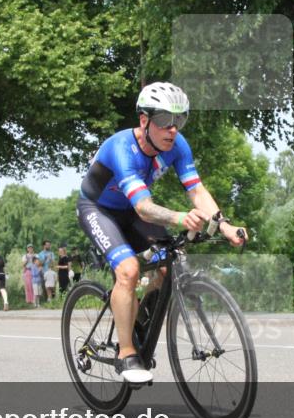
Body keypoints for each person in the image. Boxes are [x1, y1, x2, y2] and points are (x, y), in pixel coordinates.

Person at [76, 82, 246, 383]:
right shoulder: (121, 149)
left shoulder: (178, 146)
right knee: (128, 271)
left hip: (132, 210)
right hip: (98, 209)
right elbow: (143, 207)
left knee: (171, 263)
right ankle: (126, 353)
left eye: (180, 120)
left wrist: (224, 224)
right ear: (144, 120)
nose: (173, 129)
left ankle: (139, 318)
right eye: (166, 121)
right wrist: (181, 218)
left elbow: (197, 191)